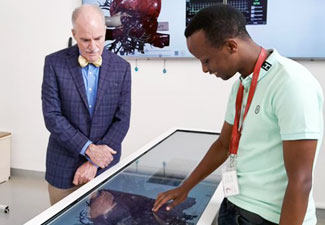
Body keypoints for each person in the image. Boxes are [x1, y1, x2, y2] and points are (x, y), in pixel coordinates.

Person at [153, 4, 323, 225]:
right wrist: (185, 187)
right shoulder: (241, 86)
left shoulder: (291, 83)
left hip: (270, 218)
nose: (204, 69)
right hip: (233, 209)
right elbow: (224, 145)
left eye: (206, 60)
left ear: (231, 46)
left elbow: (301, 181)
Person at [42, 4, 131, 205]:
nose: (93, 46)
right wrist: (89, 149)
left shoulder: (122, 68)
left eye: (98, 38)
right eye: (85, 40)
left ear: (105, 32)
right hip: (63, 168)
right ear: (74, 34)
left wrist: (94, 162)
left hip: (104, 167)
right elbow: (52, 117)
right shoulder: (54, 64)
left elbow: (122, 120)